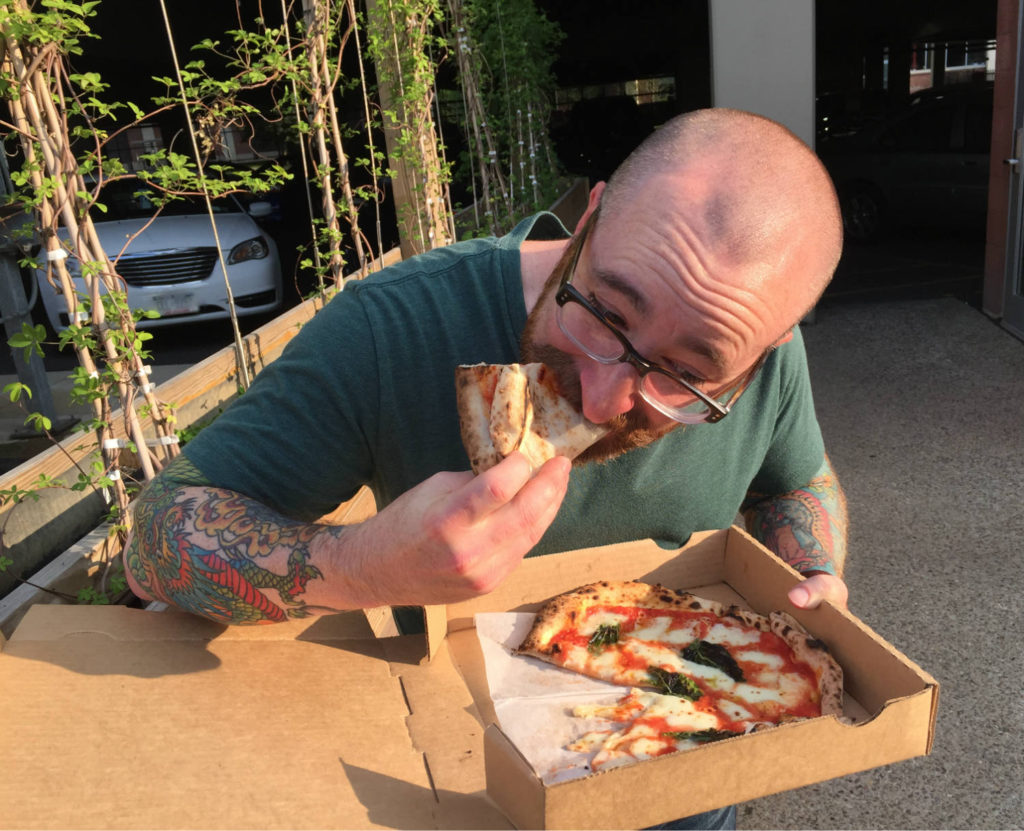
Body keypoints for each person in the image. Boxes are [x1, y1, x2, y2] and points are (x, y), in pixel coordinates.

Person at [124, 108, 848, 830]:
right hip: (459, 794)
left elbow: (794, 480)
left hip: (689, 796)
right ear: (589, 218)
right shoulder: (393, 326)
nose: (602, 398)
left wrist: (811, 571)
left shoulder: (766, 358)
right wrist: (360, 565)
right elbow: (153, 541)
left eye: (685, 375)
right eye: (605, 312)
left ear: (769, 342)